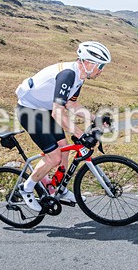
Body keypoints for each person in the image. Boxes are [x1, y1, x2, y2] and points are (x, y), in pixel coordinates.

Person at [14, 41, 112, 210]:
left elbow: (72, 105)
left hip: (45, 109)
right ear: (88, 63)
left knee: (64, 149)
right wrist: (82, 135)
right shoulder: (67, 75)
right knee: (54, 157)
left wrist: (96, 119)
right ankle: (26, 188)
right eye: (100, 65)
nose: (102, 70)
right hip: (28, 111)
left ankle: (59, 189)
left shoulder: (79, 77)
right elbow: (58, 113)